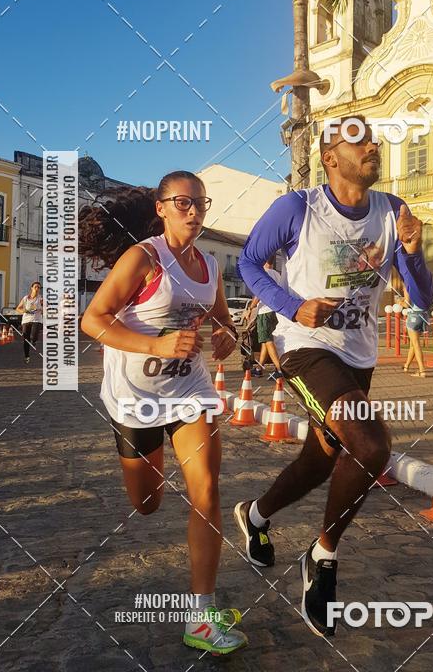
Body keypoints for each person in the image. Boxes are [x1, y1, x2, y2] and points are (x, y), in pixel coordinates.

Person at [235, 114, 433, 637]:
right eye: (358, 140)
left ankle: (256, 514)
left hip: (358, 356)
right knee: (370, 446)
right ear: (330, 157)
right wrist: (292, 306)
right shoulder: (297, 208)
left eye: (372, 139)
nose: (371, 146)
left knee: (321, 459)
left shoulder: (393, 212)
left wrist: (413, 254)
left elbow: (421, 297)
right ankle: (321, 558)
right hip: (305, 347)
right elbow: (250, 263)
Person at [80, 171, 247, 656]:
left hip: (190, 390)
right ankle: (146, 488)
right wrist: (156, 343)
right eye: (182, 203)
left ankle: (201, 616)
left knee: (208, 490)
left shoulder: (211, 267)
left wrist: (226, 339)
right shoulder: (143, 258)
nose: (193, 211)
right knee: (147, 503)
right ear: (162, 207)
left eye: (200, 203)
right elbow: (94, 319)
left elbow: (224, 325)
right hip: (135, 397)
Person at [253, 257, 282, 378]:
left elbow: (259, 293)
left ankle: (280, 370)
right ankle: (259, 368)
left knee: (268, 341)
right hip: (274, 311)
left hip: (264, 312)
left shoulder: (262, 273)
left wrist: (250, 307)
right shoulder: (277, 275)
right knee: (265, 341)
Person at [16, 282, 43, 364]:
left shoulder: (41, 298)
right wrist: (24, 310)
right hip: (26, 320)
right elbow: (18, 308)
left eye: (39, 287)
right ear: (31, 288)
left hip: (36, 320)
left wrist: (41, 309)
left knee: (33, 336)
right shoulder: (25, 298)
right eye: (36, 287)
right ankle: (27, 356)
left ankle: (34, 341)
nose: (37, 289)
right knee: (26, 340)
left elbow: (45, 308)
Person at [402, 293, 428, 377]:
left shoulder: (408, 285)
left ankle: (422, 370)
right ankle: (406, 365)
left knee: (416, 344)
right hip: (423, 315)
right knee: (413, 344)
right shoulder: (423, 285)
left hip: (413, 315)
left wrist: (399, 302)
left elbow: (406, 304)